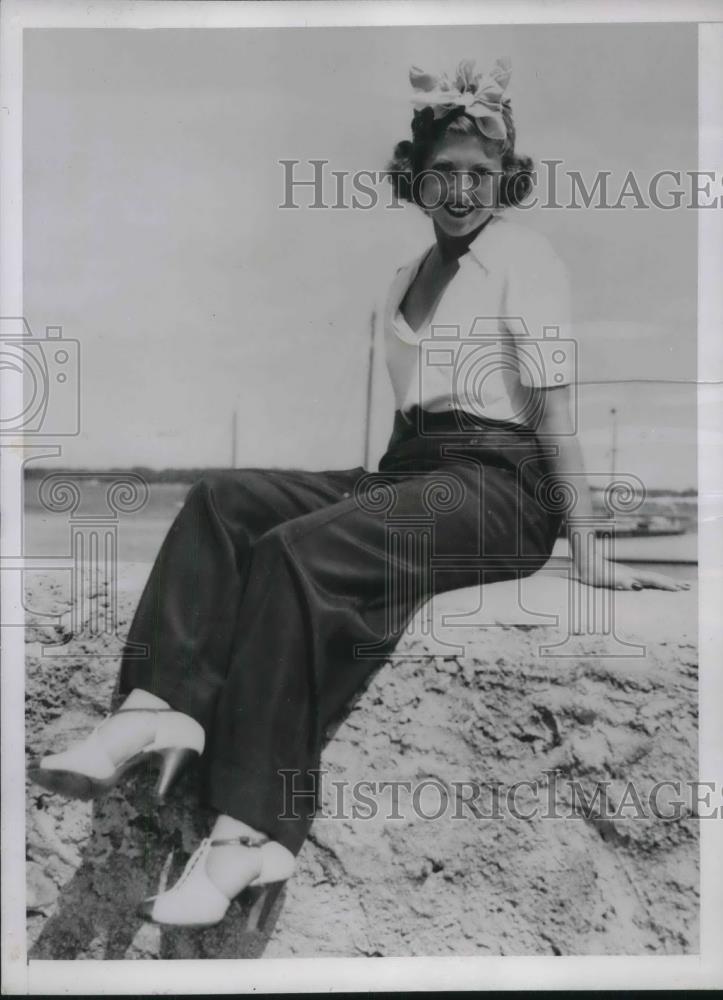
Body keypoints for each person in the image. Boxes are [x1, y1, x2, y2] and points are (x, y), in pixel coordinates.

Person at [29, 57, 688, 930]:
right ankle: (161, 707)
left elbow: (555, 413)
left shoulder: (524, 257)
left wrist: (589, 544)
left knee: (301, 554)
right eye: (443, 173)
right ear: (414, 178)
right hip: (416, 472)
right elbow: (406, 438)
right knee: (225, 502)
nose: (461, 190)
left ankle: (251, 832)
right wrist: (370, 502)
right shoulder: (399, 279)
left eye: (481, 175)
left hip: (503, 487)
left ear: (507, 179)